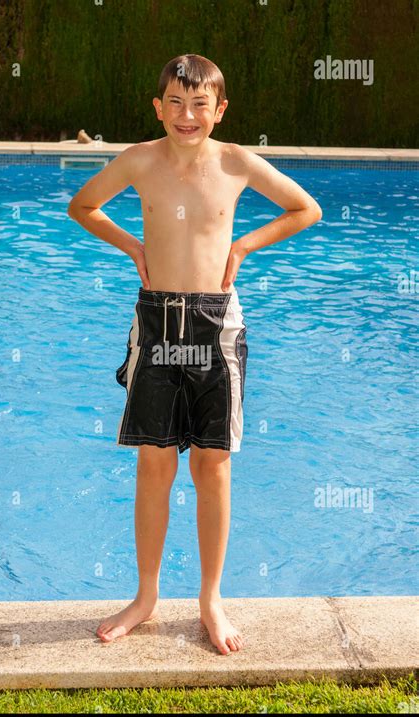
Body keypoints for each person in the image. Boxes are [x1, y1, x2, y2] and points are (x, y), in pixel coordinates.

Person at [67, 53, 322, 655]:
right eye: (175, 104)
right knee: (155, 464)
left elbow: (304, 208)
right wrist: (134, 249)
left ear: (220, 110)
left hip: (215, 325)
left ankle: (210, 599)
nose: (187, 115)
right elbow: (82, 206)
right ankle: (147, 595)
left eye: (199, 105)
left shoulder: (234, 162)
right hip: (157, 324)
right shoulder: (140, 160)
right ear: (159, 108)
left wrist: (242, 247)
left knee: (212, 466)